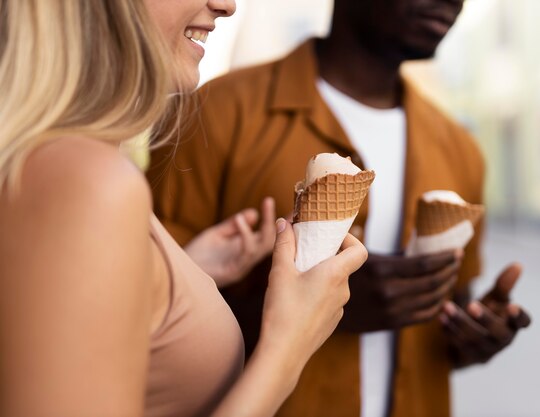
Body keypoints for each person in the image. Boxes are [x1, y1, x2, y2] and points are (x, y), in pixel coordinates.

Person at [148, 0, 532, 416]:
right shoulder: (213, 112)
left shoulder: (461, 149)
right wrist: (312, 307)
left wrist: (474, 332)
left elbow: (450, 307)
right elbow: (144, 316)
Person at [0, 1, 369, 417]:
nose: (227, 5)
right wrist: (288, 348)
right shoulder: (89, 182)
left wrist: (180, 273)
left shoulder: (66, 167)